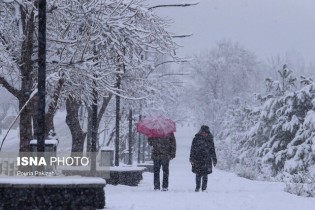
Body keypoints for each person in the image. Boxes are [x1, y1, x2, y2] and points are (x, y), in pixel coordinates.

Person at [189, 125, 217, 192]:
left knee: (205, 174)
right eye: (204, 132)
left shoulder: (210, 139)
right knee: (198, 174)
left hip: (207, 159)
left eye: (206, 132)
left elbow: (212, 149)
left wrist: (214, 159)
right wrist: (191, 158)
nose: (205, 134)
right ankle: (197, 187)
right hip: (197, 159)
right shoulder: (196, 139)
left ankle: (204, 188)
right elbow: (192, 149)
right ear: (201, 132)